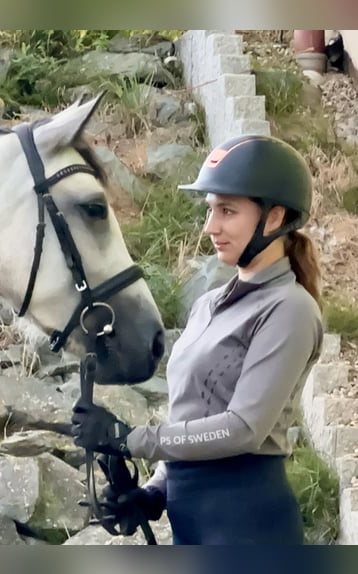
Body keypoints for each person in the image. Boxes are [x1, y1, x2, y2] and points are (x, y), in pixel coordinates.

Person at [71, 134, 324, 545]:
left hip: (248, 528)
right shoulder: (207, 304)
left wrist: (128, 438)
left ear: (274, 217)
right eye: (210, 210)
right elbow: (192, 416)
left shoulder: (289, 310)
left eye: (227, 211)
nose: (211, 227)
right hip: (195, 525)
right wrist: (155, 492)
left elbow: (243, 428)